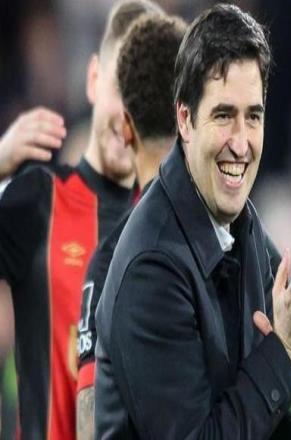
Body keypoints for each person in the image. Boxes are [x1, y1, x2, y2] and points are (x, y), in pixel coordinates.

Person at [95, 4, 291, 438]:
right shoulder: (152, 267)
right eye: (224, 116)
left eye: (253, 117)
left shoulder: (247, 232)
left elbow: (267, 424)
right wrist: (282, 352)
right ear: (185, 119)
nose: (241, 144)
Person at [0, 1, 163, 438]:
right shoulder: (40, 200)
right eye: (122, 88)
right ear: (93, 79)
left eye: (145, 100)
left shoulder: (169, 229)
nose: (128, 117)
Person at [76, 13, 187, 440]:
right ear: (189, 116)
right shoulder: (246, 243)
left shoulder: (108, 263)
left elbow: (90, 424)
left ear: (126, 126)